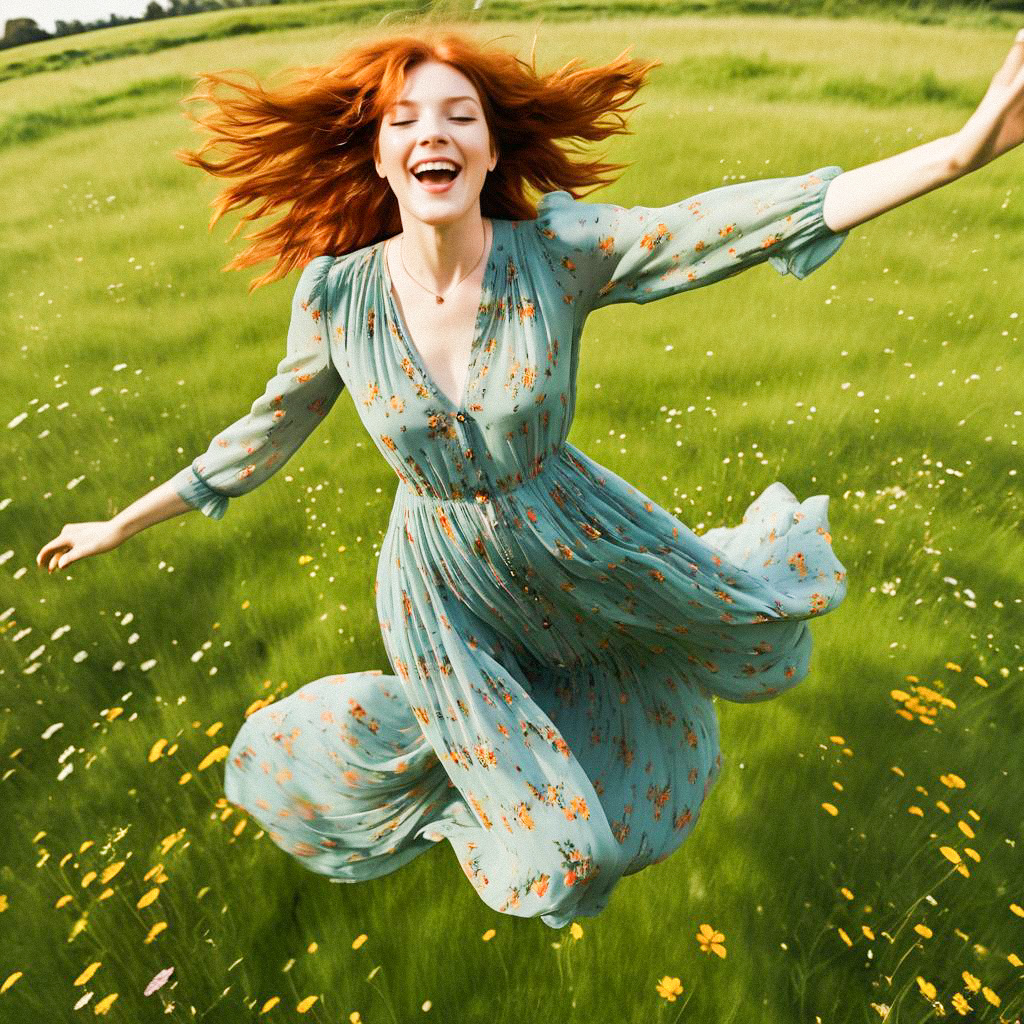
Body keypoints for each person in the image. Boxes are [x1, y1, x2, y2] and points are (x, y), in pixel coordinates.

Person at [36, 27, 1024, 928]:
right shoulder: (337, 294)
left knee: (753, 623)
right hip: (439, 581)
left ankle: (519, 752)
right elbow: (262, 432)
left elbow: (724, 224)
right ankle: (467, 793)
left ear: (493, 148)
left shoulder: (556, 251)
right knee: (573, 858)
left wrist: (958, 150)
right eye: (405, 120)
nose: (434, 134)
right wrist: (120, 524)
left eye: (459, 116)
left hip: (575, 535)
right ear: (376, 154)